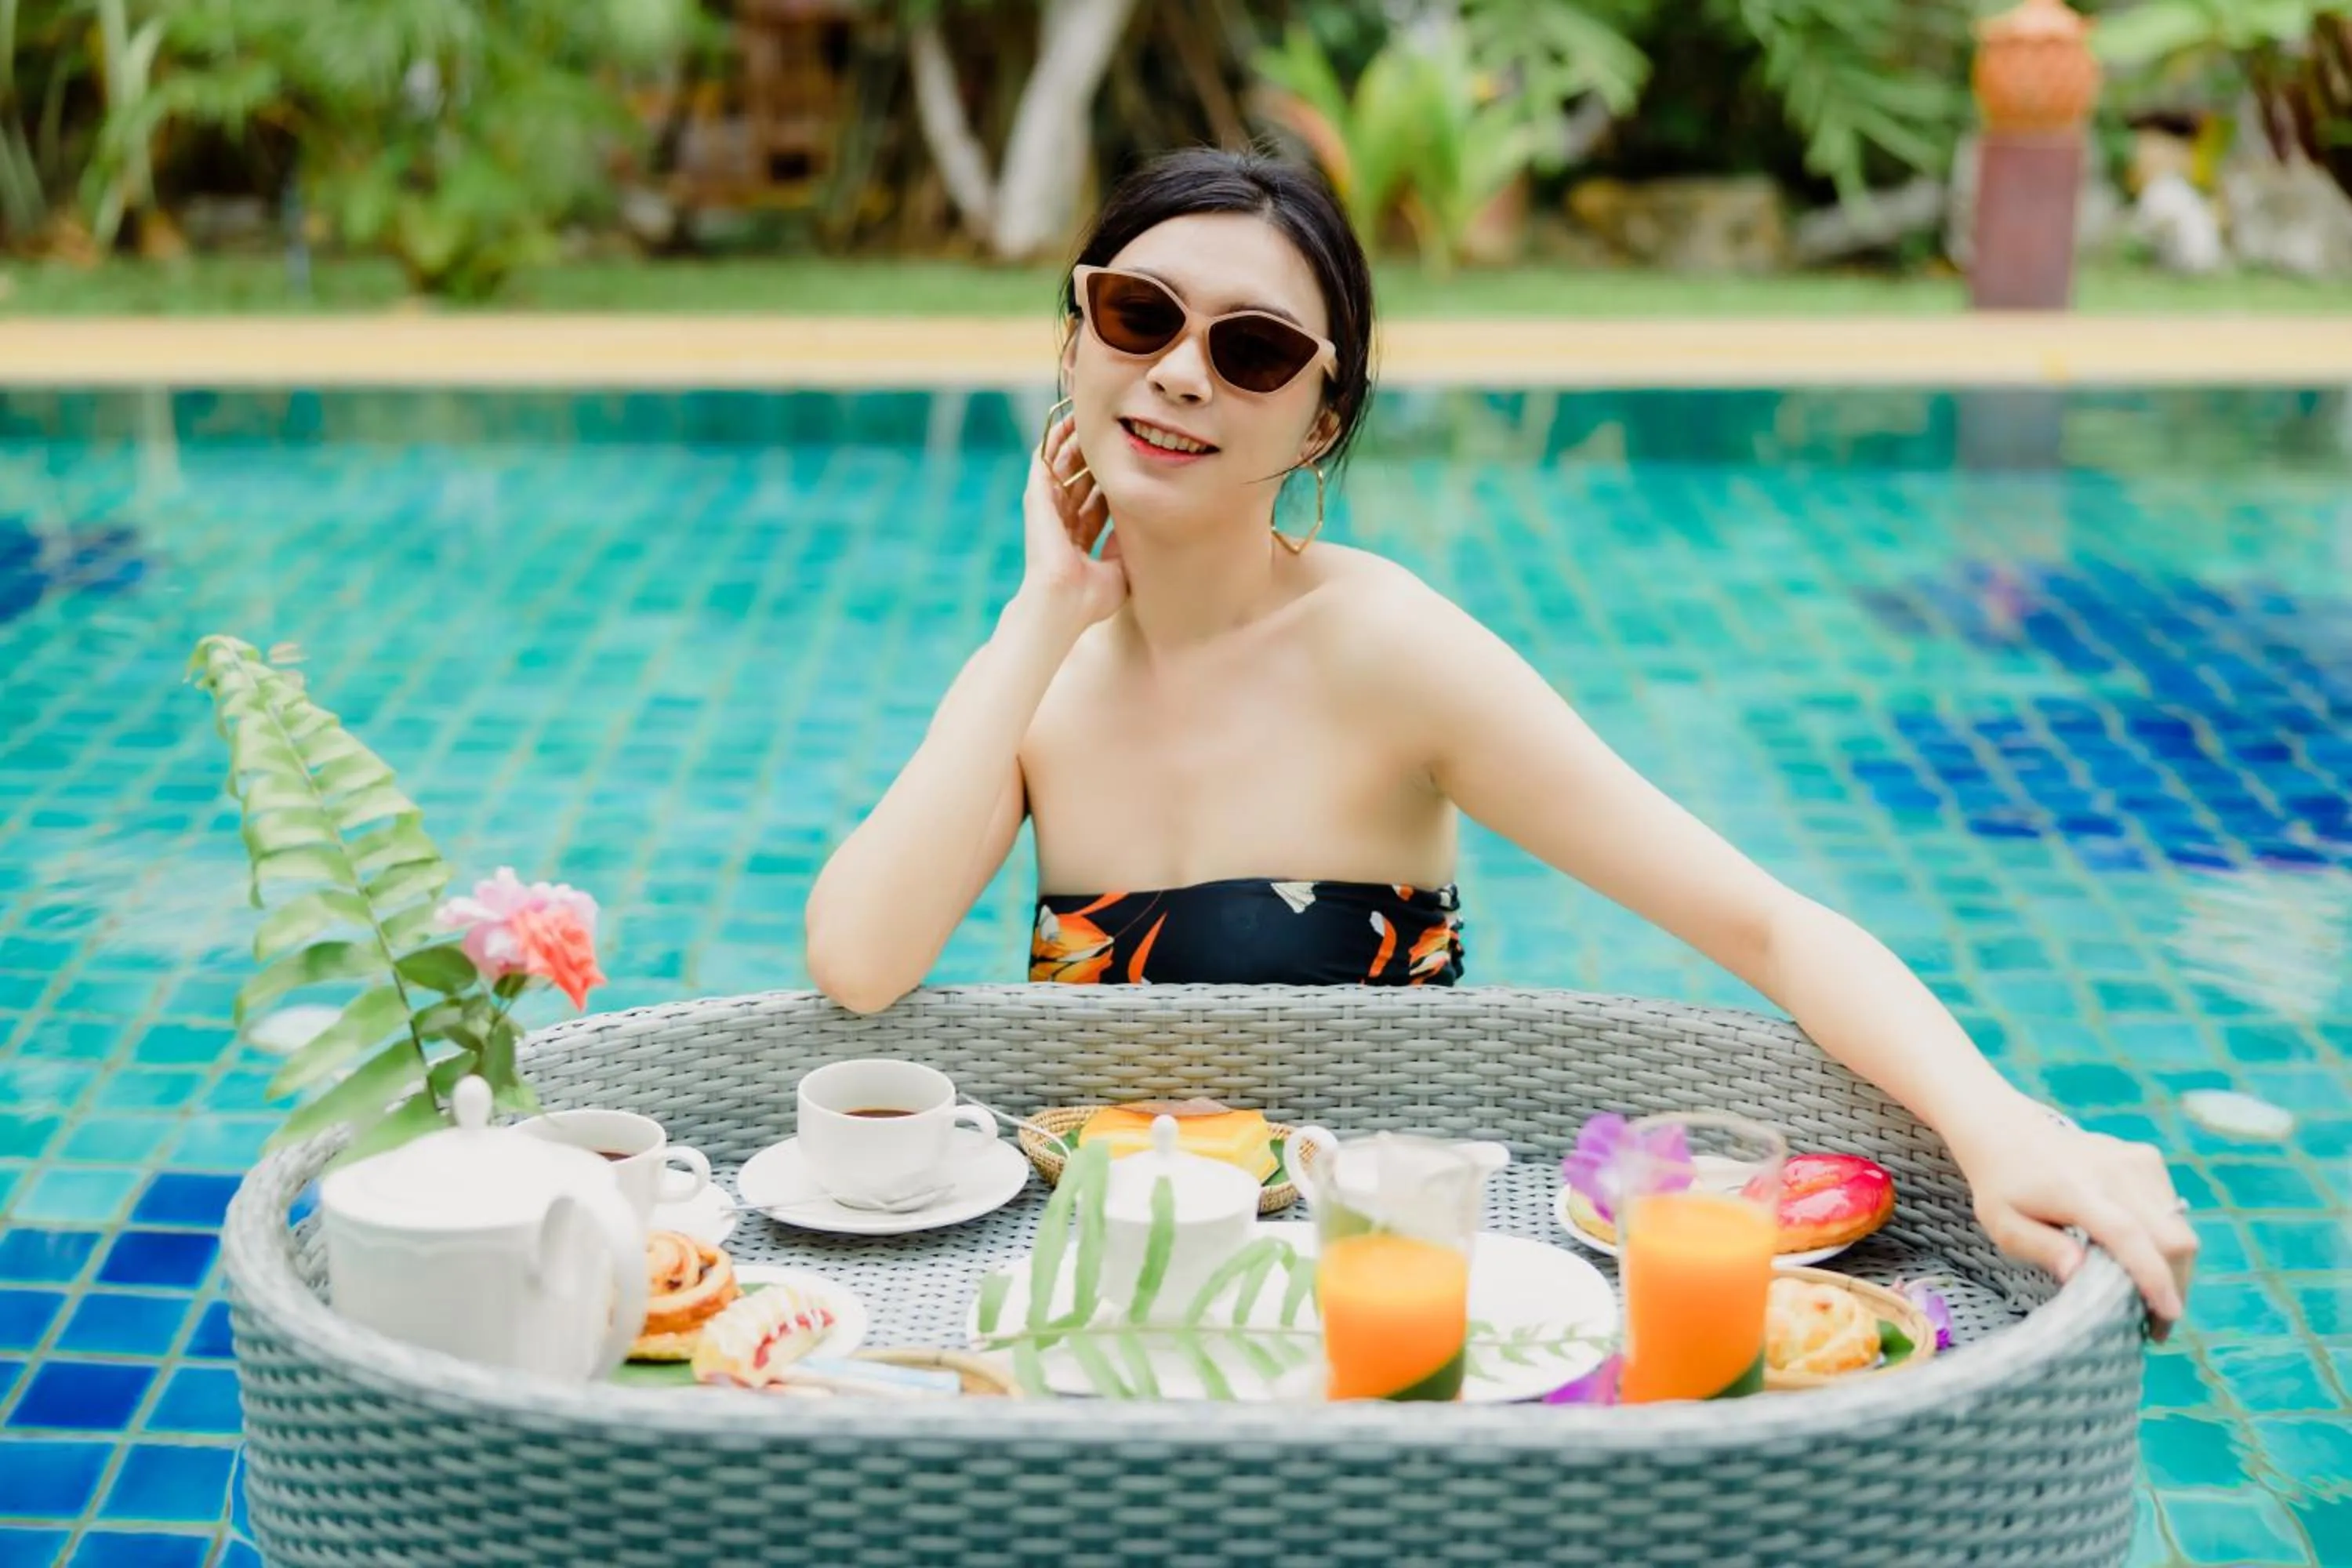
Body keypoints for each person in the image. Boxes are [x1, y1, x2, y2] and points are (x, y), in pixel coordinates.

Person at [804, 145, 2197, 1335]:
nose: (1179, 375)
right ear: (1073, 342)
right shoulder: (1039, 678)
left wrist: (1995, 1118)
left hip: (1377, 1307)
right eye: (1137, 315)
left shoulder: (1383, 652)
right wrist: (1047, 605)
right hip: (1128, 1305)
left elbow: (1762, 925)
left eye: (1254, 349)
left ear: (1319, 418)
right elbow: (861, 964)